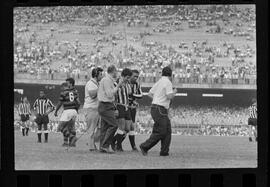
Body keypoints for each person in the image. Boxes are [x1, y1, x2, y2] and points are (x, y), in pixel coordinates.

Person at [139, 66, 177, 156]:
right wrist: (174, 92)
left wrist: (156, 99)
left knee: (166, 130)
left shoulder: (159, 81)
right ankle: (145, 146)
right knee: (162, 131)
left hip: (156, 108)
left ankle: (164, 152)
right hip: (160, 109)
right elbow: (169, 96)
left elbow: (149, 93)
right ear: (170, 75)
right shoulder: (168, 82)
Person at [97, 65, 124, 153]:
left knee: (105, 128)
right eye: (116, 71)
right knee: (114, 125)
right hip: (105, 105)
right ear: (113, 71)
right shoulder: (107, 80)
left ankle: (102, 147)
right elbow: (109, 94)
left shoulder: (107, 80)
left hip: (105, 105)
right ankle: (105, 146)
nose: (117, 73)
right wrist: (118, 86)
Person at [111, 68, 133, 152]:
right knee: (122, 126)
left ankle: (113, 140)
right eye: (127, 77)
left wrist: (132, 102)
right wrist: (115, 108)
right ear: (122, 76)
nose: (128, 79)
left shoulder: (127, 84)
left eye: (129, 77)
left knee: (127, 128)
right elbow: (112, 95)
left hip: (126, 106)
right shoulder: (115, 83)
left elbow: (129, 94)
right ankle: (119, 146)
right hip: (119, 106)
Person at [83, 67, 104, 151]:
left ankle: (93, 144)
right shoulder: (90, 83)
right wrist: (101, 88)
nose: (101, 76)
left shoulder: (96, 83)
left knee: (100, 128)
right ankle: (91, 147)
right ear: (96, 75)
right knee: (91, 129)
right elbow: (92, 95)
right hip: (91, 108)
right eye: (100, 74)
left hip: (97, 109)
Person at [54, 82, 80, 147]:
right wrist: (76, 109)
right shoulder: (74, 92)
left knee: (60, 127)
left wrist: (56, 111)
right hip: (74, 111)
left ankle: (72, 137)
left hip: (67, 111)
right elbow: (78, 102)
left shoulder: (63, 93)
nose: (61, 89)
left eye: (61, 88)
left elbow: (60, 103)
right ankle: (70, 143)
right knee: (70, 128)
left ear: (63, 87)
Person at [126, 69, 143, 151]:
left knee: (131, 127)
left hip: (132, 108)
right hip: (125, 107)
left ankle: (132, 146)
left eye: (137, 76)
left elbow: (141, 95)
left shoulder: (137, 84)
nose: (136, 78)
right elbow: (125, 96)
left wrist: (132, 96)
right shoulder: (126, 83)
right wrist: (133, 100)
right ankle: (115, 142)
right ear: (130, 76)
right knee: (127, 127)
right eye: (134, 76)